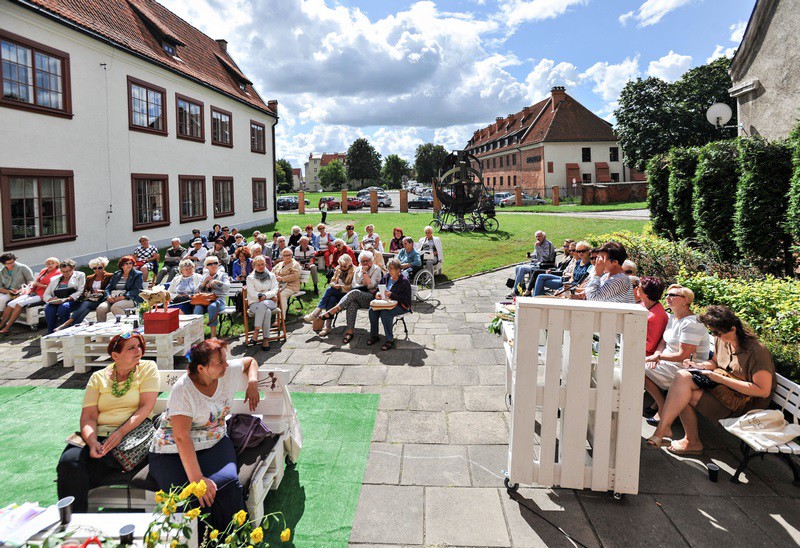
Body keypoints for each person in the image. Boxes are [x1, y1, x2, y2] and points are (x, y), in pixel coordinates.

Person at [149, 340, 259, 532]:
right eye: (220, 362)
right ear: (201, 368)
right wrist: (198, 479)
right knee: (188, 497)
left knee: (227, 484)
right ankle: (198, 542)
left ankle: (232, 539)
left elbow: (250, 362)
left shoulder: (227, 372)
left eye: (225, 359)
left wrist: (252, 383)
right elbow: (182, 437)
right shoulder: (183, 390)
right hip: (171, 449)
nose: (226, 364)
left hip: (213, 440)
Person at [648, 305, 776, 455]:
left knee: (682, 394)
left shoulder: (757, 352)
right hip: (723, 391)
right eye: (712, 332)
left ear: (733, 329)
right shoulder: (723, 340)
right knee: (682, 376)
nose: (714, 336)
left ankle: (685, 439)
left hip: (745, 404)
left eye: (717, 332)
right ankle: (664, 431)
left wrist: (721, 379)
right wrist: (699, 365)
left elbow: (762, 391)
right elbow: (715, 363)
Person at [57, 333, 159, 512]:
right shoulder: (98, 377)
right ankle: (74, 521)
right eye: (131, 348)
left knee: (90, 467)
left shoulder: (147, 368)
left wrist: (119, 433)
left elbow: (145, 407)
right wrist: (92, 441)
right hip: (99, 436)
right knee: (69, 462)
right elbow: (88, 416)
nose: (138, 351)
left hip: (131, 434)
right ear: (115, 356)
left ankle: (85, 495)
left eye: (139, 346)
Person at [644, 284, 711, 425]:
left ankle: (662, 406)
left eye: (673, 295)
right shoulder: (674, 317)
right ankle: (661, 404)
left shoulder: (692, 323)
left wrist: (657, 357)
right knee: (637, 365)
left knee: (637, 368)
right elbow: (663, 340)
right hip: (668, 361)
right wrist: (656, 354)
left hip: (685, 367)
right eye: (667, 295)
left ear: (685, 300)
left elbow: (684, 355)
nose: (667, 297)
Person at [321, 250, 381, 344]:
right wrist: (362, 284)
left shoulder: (376, 269)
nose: (365, 263)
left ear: (372, 260)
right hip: (357, 296)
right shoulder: (358, 269)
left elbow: (370, 285)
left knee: (355, 292)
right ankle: (350, 331)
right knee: (352, 303)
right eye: (363, 261)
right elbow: (354, 284)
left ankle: (335, 309)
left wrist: (365, 273)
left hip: (371, 298)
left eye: (367, 260)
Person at [0, 256, 60, 333]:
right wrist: (33, 285)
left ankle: (7, 327)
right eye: (48, 263)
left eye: (52, 263)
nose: (50, 265)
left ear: (57, 264)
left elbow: (53, 287)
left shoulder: (58, 273)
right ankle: (2, 324)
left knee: (19, 304)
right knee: (11, 304)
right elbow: (33, 282)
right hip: (32, 291)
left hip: (43, 294)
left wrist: (40, 285)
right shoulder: (44, 271)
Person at [367, 258, 411, 351]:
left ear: (398, 270)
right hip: (385, 303)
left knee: (385, 313)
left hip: (401, 306)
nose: (389, 271)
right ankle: (374, 336)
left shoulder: (404, 281)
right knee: (372, 310)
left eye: (391, 269)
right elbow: (379, 289)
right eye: (388, 268)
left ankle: (389, 340)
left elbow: (407, 300)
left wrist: (392, 295)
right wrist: (377, 294)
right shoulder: (386, 277)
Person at [304, 254, 354, 336]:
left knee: (329, 290)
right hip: (336, 293)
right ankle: (327, 326)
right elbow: (332, 281)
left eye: (344, 266)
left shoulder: (354, 271)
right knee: (331, 299)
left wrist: (341, 287)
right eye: (341, 265)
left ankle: (316, 312)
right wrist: (334, 285)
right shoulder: (338, 269)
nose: (342, 268)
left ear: (350, 264)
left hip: (347, 295)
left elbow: (353, 287)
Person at [58, 257, 113, 330]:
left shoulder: (110, 276)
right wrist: (87, 292)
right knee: (86, 308)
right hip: (91, 299)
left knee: (85, 304)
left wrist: (101, 291)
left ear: (104, 267)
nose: (97, 270)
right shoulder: (90, 278)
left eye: (100, 268)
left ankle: (68, 323)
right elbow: (85, 289)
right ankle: (73, 327)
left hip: (103, 299)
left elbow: (111, 289)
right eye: (94, 268)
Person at [507, 230, 554, 298]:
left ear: (544, 237)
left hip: (544, 265)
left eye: (539, 236)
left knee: (522, 269)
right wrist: (531, 256)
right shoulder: (538, 244)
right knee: (518, 267)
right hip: (536, 263)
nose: (538, 238)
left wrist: (538, 248)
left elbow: (546, 258)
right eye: (536, 237)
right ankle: (521, 288)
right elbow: (535, 255)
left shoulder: (548, 244)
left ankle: (515, 291)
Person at [43, 259, 86, 333]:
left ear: (73, 269)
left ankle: (67, 329)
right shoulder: (55, 279)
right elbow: (46, 294)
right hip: (57, 300)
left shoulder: (80, 275)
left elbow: (80, 291)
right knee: (49, 309)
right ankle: (51, 331)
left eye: (68, 271)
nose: (65, 273)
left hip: (73, 299)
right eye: (63, 271)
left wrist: (67, 299)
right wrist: (51, 299)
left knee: (63, 307)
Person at [96, 256, 144, 322]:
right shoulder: (116, 274)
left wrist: (123, 297)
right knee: (100, 308)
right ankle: (100, 327)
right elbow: (108, 288)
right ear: (122, 266)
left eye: (130, 263)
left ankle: (127, 324)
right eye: (126, 264)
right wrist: (108, 296)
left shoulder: (137, 274)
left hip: (130, 298)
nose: (129, 265)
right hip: (113, 298)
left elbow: (136, 290)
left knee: (115, 307)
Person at [246, 256, 279, 350]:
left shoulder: (271, 275)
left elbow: (275, 289)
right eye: (258, 264)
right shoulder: (250, 278)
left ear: (266, 264)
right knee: (267, 312)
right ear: (254, 266)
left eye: (262, 264)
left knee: (264, 305)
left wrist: (266, 296)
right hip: (255, 303)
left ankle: (256, 331)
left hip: (270, 302)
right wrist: (267, 296)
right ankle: (265, 339)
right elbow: (252, 293)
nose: (261, 266)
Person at [194, 257, 230, 339]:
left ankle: (213, 334)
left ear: (218, 264)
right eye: (210, 264)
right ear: (206, 267)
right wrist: (204, 282)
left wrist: (217, 282)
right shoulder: (204, 277)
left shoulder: (223, 275)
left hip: (219, 300)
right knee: (197, 308)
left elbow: (227, 287)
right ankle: (198, 334)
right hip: (205, 301)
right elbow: (196, 291)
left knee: (212, 307)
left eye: (215, 263)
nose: (213, 265)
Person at [272, 248, 301, 313]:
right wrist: (274, 276)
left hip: (291, 286)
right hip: (279, 285)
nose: (288, 257)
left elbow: (295, 276)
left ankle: (281, 318)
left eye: (289, 255)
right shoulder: (280, 264)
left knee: (282, 295)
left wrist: (282, 278)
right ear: (282, 256)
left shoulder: (295, 264)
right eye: (286, 255)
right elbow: (272, 272)